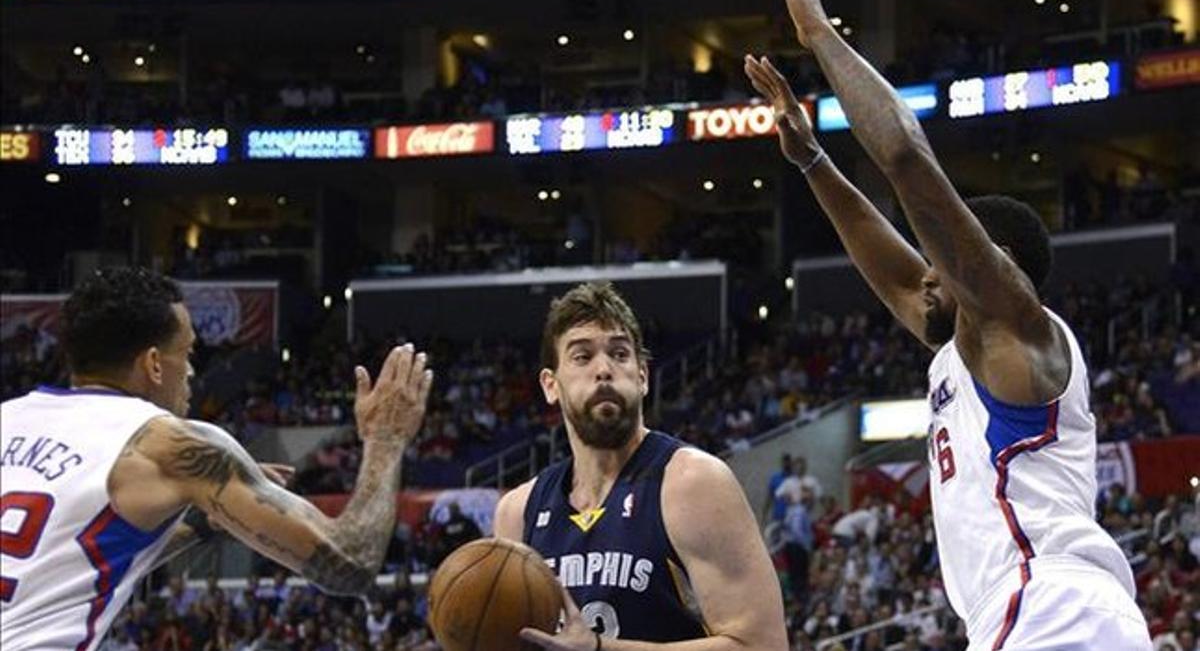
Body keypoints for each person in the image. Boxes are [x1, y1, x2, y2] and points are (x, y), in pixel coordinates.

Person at [744, 0, 1152, 648]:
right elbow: (902, 279)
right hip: (1041, 609)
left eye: (940, 264)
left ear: (989, 262)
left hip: (1050, 604)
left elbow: (906, 160)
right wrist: (813, 160)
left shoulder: (1018, 327)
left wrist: (817, 33)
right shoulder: (969, 353)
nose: (922, 277)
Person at [0, 267, 433, 650]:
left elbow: (68, 554)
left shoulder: (9, 417)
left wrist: (209, 518)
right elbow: (349, 562)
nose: (190, 371)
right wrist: (386, 440)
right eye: (187, 353)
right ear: (153, 363)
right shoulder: (165, 442)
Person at [493, 282, 787, 649]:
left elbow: (763, 645)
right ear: (551, 385)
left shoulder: (693, 483)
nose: (603, 369)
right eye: (582, 357)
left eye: (618, 354)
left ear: (643, 376)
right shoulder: (517, 512)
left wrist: (602, 648)